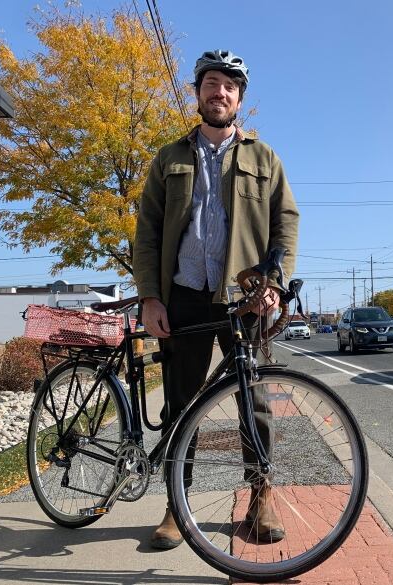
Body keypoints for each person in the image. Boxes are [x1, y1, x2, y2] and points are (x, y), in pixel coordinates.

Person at [133, 49, 299, 550]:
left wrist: (275, 279)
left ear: (240, 99)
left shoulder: (263, 158)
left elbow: (284, 223)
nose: (219, 91)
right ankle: (175, 504)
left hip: (243, 299)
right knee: (182, 403)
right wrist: (150, 298)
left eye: (229, 84)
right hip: (181, 297)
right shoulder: (169, 158)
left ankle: (261, 497)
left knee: (255, 400)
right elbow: (148, 233)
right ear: (198, 92)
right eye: (211, 82)